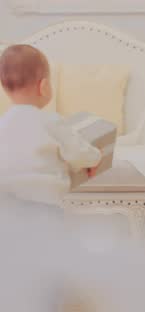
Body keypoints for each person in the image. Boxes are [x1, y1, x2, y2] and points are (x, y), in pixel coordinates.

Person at [0, 44, 101, 223]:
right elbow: (79, 153)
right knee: (47, 247)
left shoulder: (3, 123)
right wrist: (94, 158)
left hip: (6, 206)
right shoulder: (51, 122)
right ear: (44, 86)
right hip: (43, 205)